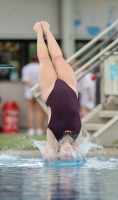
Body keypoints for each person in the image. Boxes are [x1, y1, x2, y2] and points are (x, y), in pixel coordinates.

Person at [33, 21, 83, 161]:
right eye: (70, 155)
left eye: (64, 155)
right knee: (58, 58)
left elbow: (48, 150)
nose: (68, 152)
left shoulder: (53, 136)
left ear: (58, 153)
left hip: (50, 91)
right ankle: (47, 31)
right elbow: (80, 158)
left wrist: (51, 157)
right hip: (70, 87)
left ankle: (38, 32)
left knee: (44, 59)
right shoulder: (77, 138)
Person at [22, 55, 47, 135]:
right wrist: (38, 88)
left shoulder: (26, 68)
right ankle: (39, 129)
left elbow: (26, 80)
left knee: (31, 111)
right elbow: (44, 79)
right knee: (39, 111)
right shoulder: (42, 67)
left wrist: (33, 88)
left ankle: (31, 130)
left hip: (29, 91)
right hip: (40, 91)